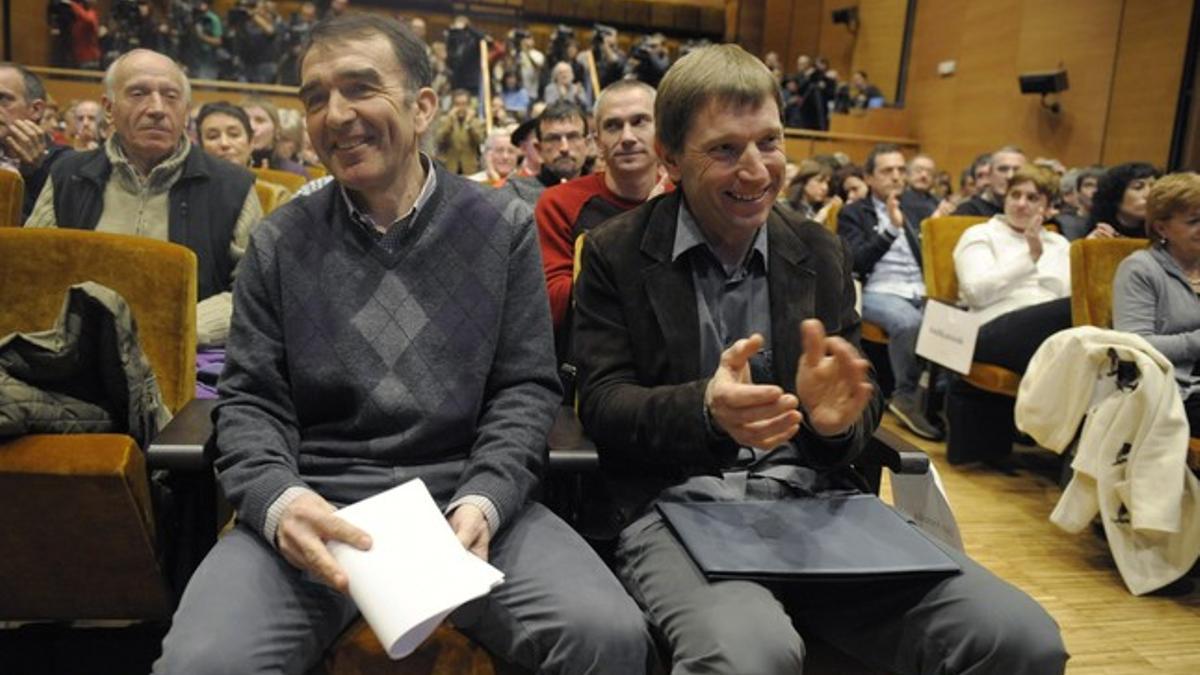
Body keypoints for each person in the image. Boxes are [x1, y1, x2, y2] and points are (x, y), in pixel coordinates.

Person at [152, 15, 653, 674]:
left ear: (423, 107)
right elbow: (249, 403)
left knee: (609, 635)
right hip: (319, 497)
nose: (335, 114)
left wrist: (484, 499)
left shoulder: (501, 228)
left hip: (460, 502)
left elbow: (525, 390)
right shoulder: (281, 240)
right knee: (200, 662)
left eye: (361, 88)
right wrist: (280, 501)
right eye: (315, 97)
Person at [573, 43, 1068, 675]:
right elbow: (605, 403)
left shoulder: (818, 249)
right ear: (670, 157)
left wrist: (836, 424)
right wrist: (705, 409)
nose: (756, 172)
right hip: (676, 504)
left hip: (817, 504)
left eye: (770, 143)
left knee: (1021, 637)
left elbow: (858, 407)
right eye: (725, 149)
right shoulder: (616, 253)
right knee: (749, 654)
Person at [26, 50, 261, 348]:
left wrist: (179, 328)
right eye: (138, 93)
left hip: (187, 356)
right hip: (74, 351)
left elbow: (254, 291)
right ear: (109, 109)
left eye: (171, 96)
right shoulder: (68, 175)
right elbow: (32, 271)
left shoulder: (233, 187)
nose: (157, 108)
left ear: (186, 110)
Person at [945, 165, 1072, 464]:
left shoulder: (1060, 243)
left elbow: (1064, 294)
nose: (1021, 204)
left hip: (1044, 331)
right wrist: (1029, 257)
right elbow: (976, 291)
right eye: (1015, 194)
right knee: (1068, 316)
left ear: (1049, 207)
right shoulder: (980, 234)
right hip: (986, 329)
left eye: (1032, 197)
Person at [536, 80, 669, 355]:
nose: (628, 136)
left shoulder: (687, 197)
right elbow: (553, 306)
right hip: (590, 363)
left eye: (640, 121)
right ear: (597, 142)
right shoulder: (560, 203)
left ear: (662, 130)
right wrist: (641, 226)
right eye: (613, 126)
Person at [840, 144, 943, 439]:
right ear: (869, 178)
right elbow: (855, 261)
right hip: (876, 289)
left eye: (900, 170)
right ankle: (905, 396)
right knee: (909, 323)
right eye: (887, 171)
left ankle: (935, 399)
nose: (897, 177)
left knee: (954, 321)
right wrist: (890, 232)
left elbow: (927, 260)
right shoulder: (854, 212)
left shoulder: (915, 209)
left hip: (919, 289)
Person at [1114, 172, 1200, 436]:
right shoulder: (1140, 269)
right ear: (1162, 228)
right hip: (1170, 390)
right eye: (1195, 221)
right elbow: (1133, 344)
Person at [0, 62, 71, 222]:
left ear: (36, 109)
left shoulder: (65, 164)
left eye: (3, 99)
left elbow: (46, 232)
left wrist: (33, 175)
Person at [197, 101, 292, 207]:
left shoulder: (274, 196)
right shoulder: (190, 194)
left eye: (234, 135)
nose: (224, 143)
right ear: (201, 147)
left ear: (250, 143)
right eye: (213, 136)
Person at [500, 100, 589, 206]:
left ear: (587, 144)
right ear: (538, 149)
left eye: (572, 137)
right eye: (553, 139)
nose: (564, 148)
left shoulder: (604, 192)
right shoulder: (515, 194)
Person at [1086, 162, 1161, 239]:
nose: (1149, 194)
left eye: (1154, 187)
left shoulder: (1162, 232)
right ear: (1116, 195)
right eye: (1138, 187)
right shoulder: (1093, 231)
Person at [954, 145, 1025, 217]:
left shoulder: (1031, 211)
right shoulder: (968, 211)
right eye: (1003, 169)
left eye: (1017, 170)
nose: (1010, 176)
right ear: (989, 175)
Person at [434, 89, 486, 175]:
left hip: (470, 169)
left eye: (464, 104)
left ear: (469, 105)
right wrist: (450, 121)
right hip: (450, 167)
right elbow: (439, 139)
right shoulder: (445, 121)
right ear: (452, 106)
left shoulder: (476, 122)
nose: (461, 108)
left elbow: (479, 140)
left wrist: (469, 123)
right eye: (457, 104)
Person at [901, 153, 954, 223]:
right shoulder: (901, 199)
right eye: (918, 170)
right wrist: (937, 216)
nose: (924, 175)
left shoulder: (936, 199)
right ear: (907, 174)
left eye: (929, 172)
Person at [785, 158, 839, 223]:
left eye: (827, 183)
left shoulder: (824, 207)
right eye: (820, 181)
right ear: (804, 182)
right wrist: (819, 218)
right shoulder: (785, 207)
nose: (825, 187)